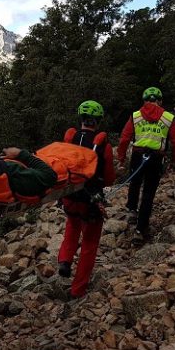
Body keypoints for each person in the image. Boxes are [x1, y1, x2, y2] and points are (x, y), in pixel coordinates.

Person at [57, 100, 116, 298]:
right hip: (91, 201)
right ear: (97, 121)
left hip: (69, 196)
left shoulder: (70, 139)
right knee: (89, 244)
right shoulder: (103, 146)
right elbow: (108, 178)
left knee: (72, 227)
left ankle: (64, 260)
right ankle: (77, 289)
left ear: (81, 119)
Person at [117, 87, 175, 244]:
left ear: (144, 100)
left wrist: (121, 157)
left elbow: (124, 138)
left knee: (134, 181)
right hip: (156, 158)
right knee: (148, 193)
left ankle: (132, 210)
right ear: (159, 101)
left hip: (138, 155)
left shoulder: (135, 116)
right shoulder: (168, 117)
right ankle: (140, 230)